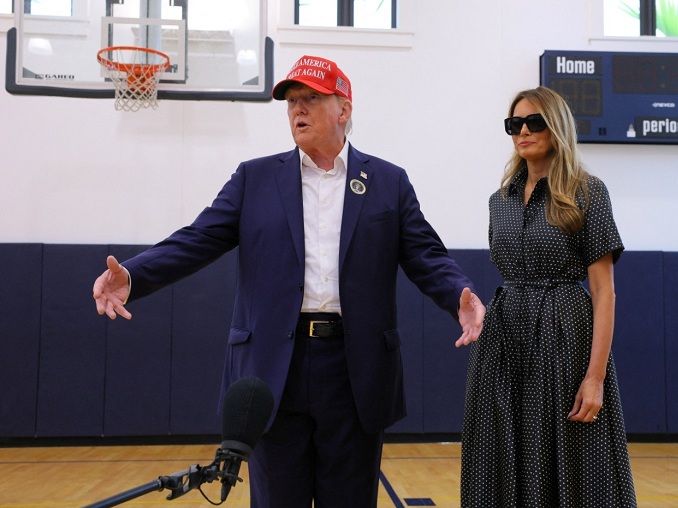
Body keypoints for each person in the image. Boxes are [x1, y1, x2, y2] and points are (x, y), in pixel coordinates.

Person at [92, 54, 485, 508]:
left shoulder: (387, 182)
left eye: (311, 99)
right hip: (273, 370)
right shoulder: (255, 178)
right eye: (292, 101)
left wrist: (458, 294)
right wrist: (135, 275)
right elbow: (197, 239)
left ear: (344, 110)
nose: (297, 109)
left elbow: (425, 255)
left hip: (354, 370)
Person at [460, 86, 637, 507]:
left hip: (564, 338)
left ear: (557, 127)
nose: (522, 131)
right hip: (504, 340)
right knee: (495, 448)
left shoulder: (587, 191)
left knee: (572, 456)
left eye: (533, 122)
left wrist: (593, 378)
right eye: (514, 124)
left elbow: (604, 292)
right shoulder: (498, 201)